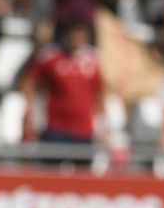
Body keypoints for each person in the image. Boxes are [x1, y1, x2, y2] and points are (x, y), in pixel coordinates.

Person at [22, 18, 104, 153]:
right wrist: (30, 111)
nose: (77, 38)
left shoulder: (94, 60)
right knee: (49, 171)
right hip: (55, 127)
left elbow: (100, 92)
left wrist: (102, 125)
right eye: (74, 34)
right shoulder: (51, 56)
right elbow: (30, 81)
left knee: (82, 173)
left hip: (83, 129)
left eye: (81, 35)